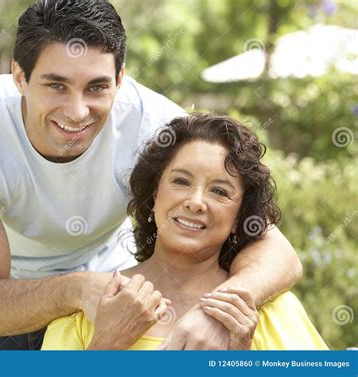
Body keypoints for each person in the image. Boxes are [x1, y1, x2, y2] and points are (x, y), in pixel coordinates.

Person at [0, 0, 302, 350]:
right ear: (20, 77)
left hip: (102, 288)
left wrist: (221, 309)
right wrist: (75, 288)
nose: (77, 112)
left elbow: (278, 251)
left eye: (97, 87)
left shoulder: (156, 126)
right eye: (56, 85)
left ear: (120, 79)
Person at [41, 113, 328, 350]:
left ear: (239, 215)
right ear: (155, 194)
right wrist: (105, 346)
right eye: (181, 181)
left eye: (219, 191)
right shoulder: (92, 309)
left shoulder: (270, 312)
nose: (195, 201)